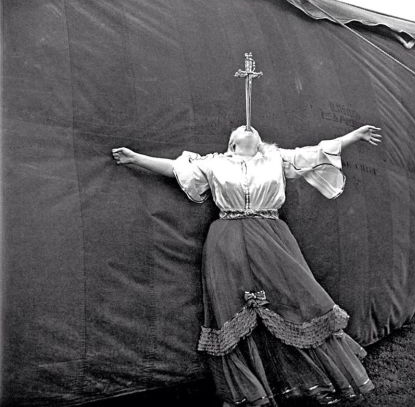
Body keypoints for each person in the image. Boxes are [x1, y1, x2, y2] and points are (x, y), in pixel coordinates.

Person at [112, 124, 382, 406]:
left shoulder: (277, 158)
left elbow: (316, 153)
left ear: (259, 141)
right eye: (241, 128)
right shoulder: (215, 163)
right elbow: (175, 168)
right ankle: (252, 390)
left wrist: (354, 136)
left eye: (251, 128)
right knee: (233, 309)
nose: (247, 126)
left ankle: (311, 380)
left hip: (271, 238)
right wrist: (136, 158)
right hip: (226, 241)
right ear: (232, 143)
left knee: (292, 300)